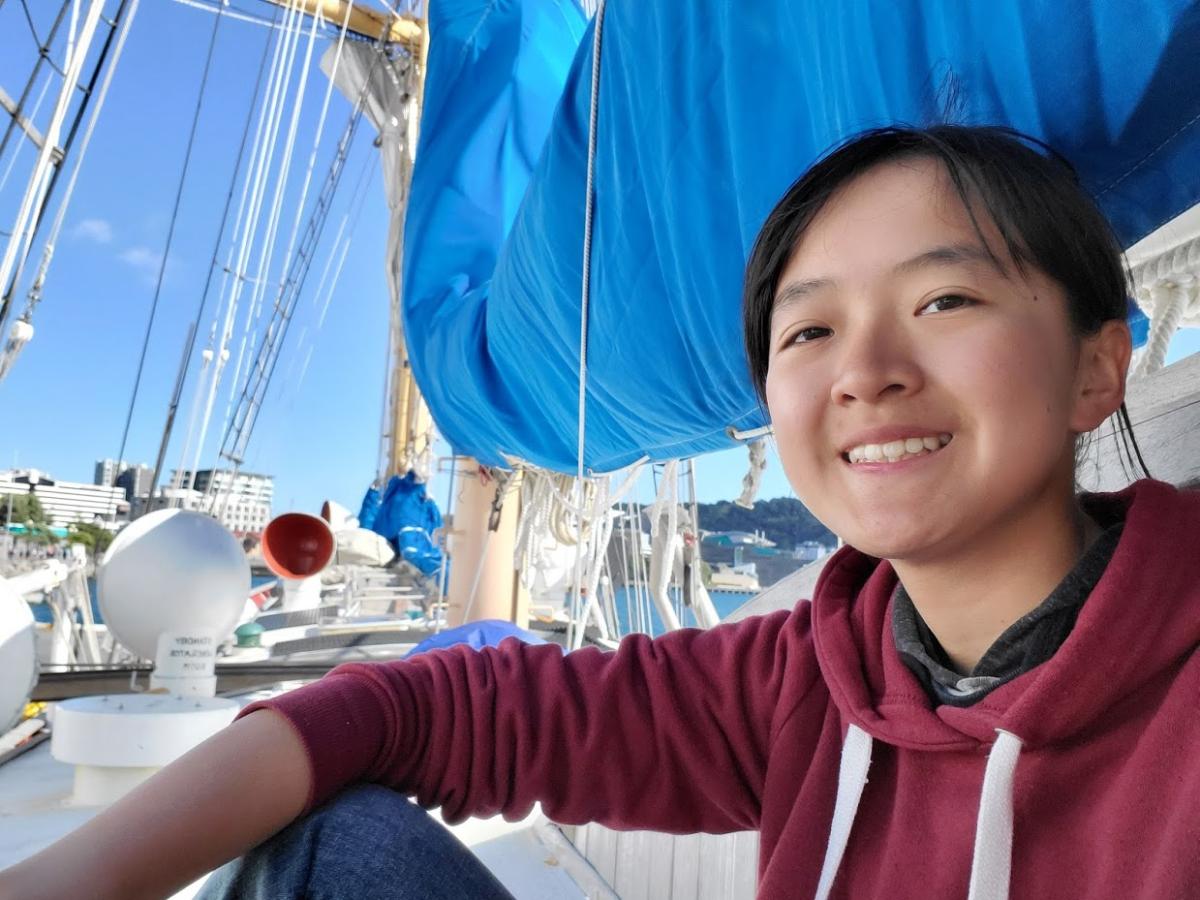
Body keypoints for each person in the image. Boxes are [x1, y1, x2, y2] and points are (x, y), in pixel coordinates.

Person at [2, 124, 1198, 900]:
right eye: (809, 329)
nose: (863, 370)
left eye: (944, 299)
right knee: (330, 849)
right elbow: (422, 708)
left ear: (1101, 364)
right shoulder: (808, 677)